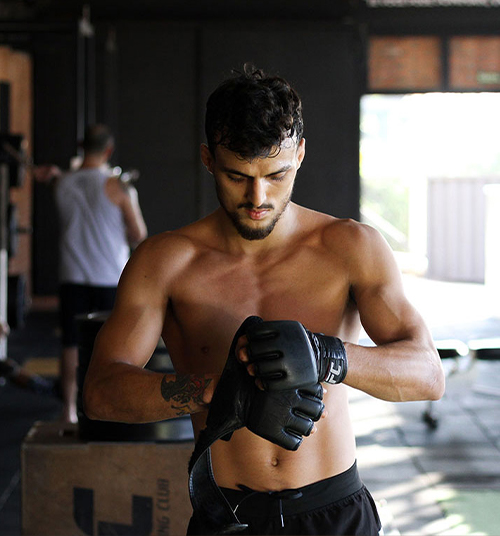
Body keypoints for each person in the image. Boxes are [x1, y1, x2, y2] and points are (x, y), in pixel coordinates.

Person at [83, 66, 445, 535]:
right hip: (229, 518)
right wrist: (218, 393)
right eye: (237, 176)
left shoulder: (353, 247)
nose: (258, 197)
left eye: (275, 175)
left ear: (300, 155)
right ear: (208, 159)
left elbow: (428, 374)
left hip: (334, 513)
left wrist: (327, 356)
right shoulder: (165, 261)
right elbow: (99, 394)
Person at [36, 124, 147, 423]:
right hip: (110, 276)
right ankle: (111, 410)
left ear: (81, 146)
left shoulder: (62, 184)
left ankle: (69, 410)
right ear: (108, 150)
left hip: (72, 275)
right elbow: (138, 233)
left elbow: (57, 180)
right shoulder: (118, 186)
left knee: (71, 342)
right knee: (113, 345)